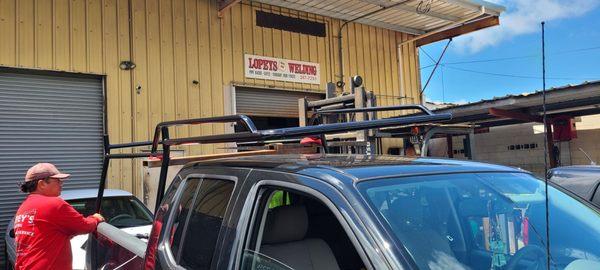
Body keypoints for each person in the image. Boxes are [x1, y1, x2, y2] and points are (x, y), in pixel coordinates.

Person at [14, 163, 105, 270]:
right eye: (58, 181)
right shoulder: (54, 204)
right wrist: (95, 218)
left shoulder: (23, 207)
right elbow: (84, 226)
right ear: (42, 183)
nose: (61, 184)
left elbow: (45, 236)